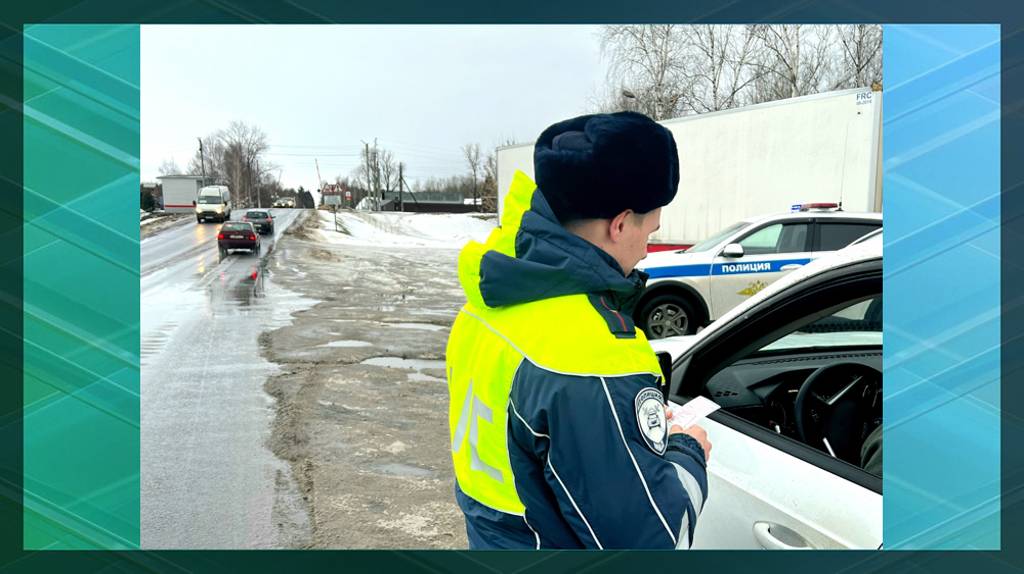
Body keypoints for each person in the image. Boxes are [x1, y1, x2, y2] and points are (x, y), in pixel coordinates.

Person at [446, 111, 711, 549]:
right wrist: (686, 451)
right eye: (651, 229)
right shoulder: (592, 359)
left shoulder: (484, 307)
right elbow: (652, 544)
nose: (647, 249)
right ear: (620, 223)